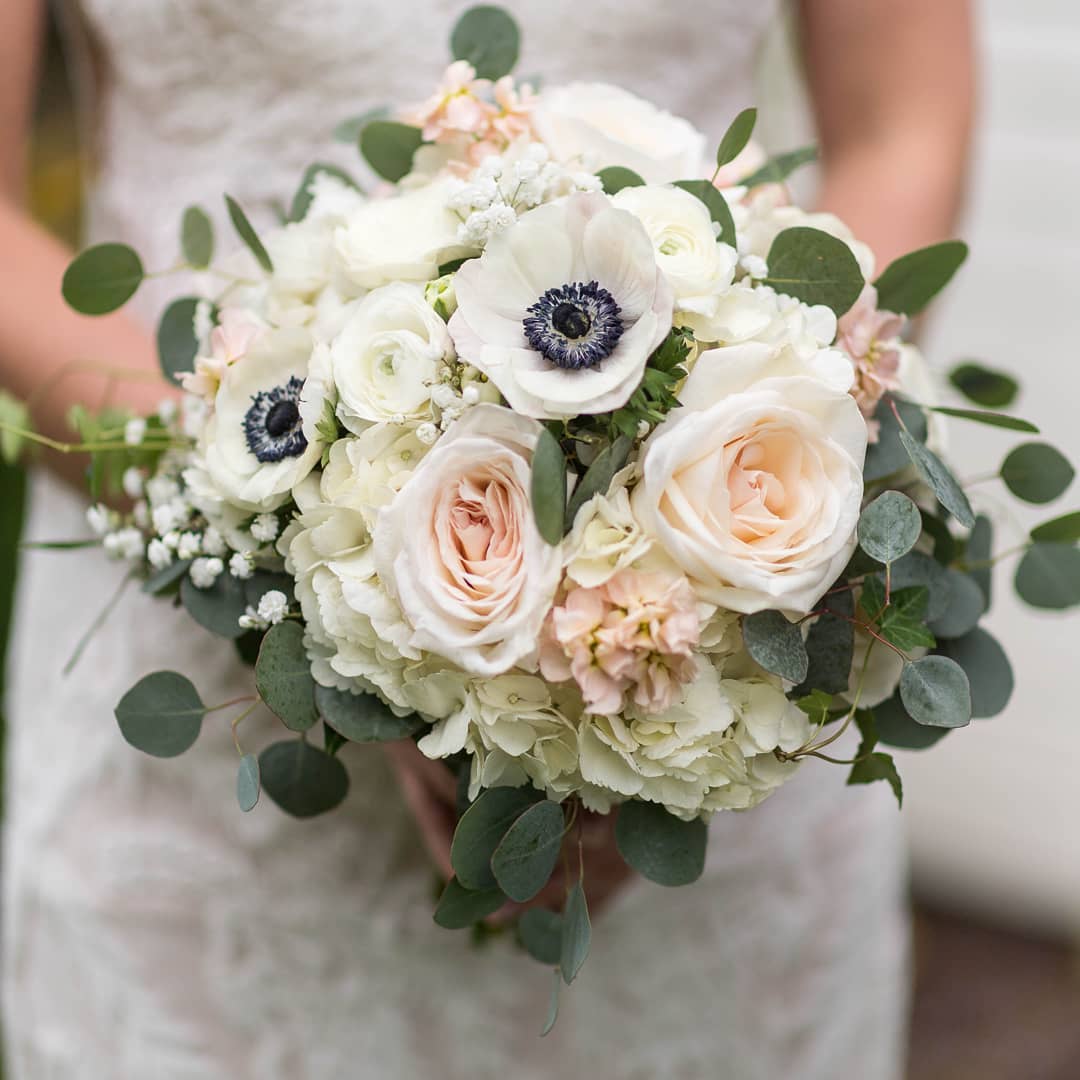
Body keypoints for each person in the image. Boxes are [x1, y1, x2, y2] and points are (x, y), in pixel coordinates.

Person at [0, 1, 973, 1076]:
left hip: (718, 670)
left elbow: (900, 130)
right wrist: (340, 590)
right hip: (207, 741)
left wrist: (683, 610)